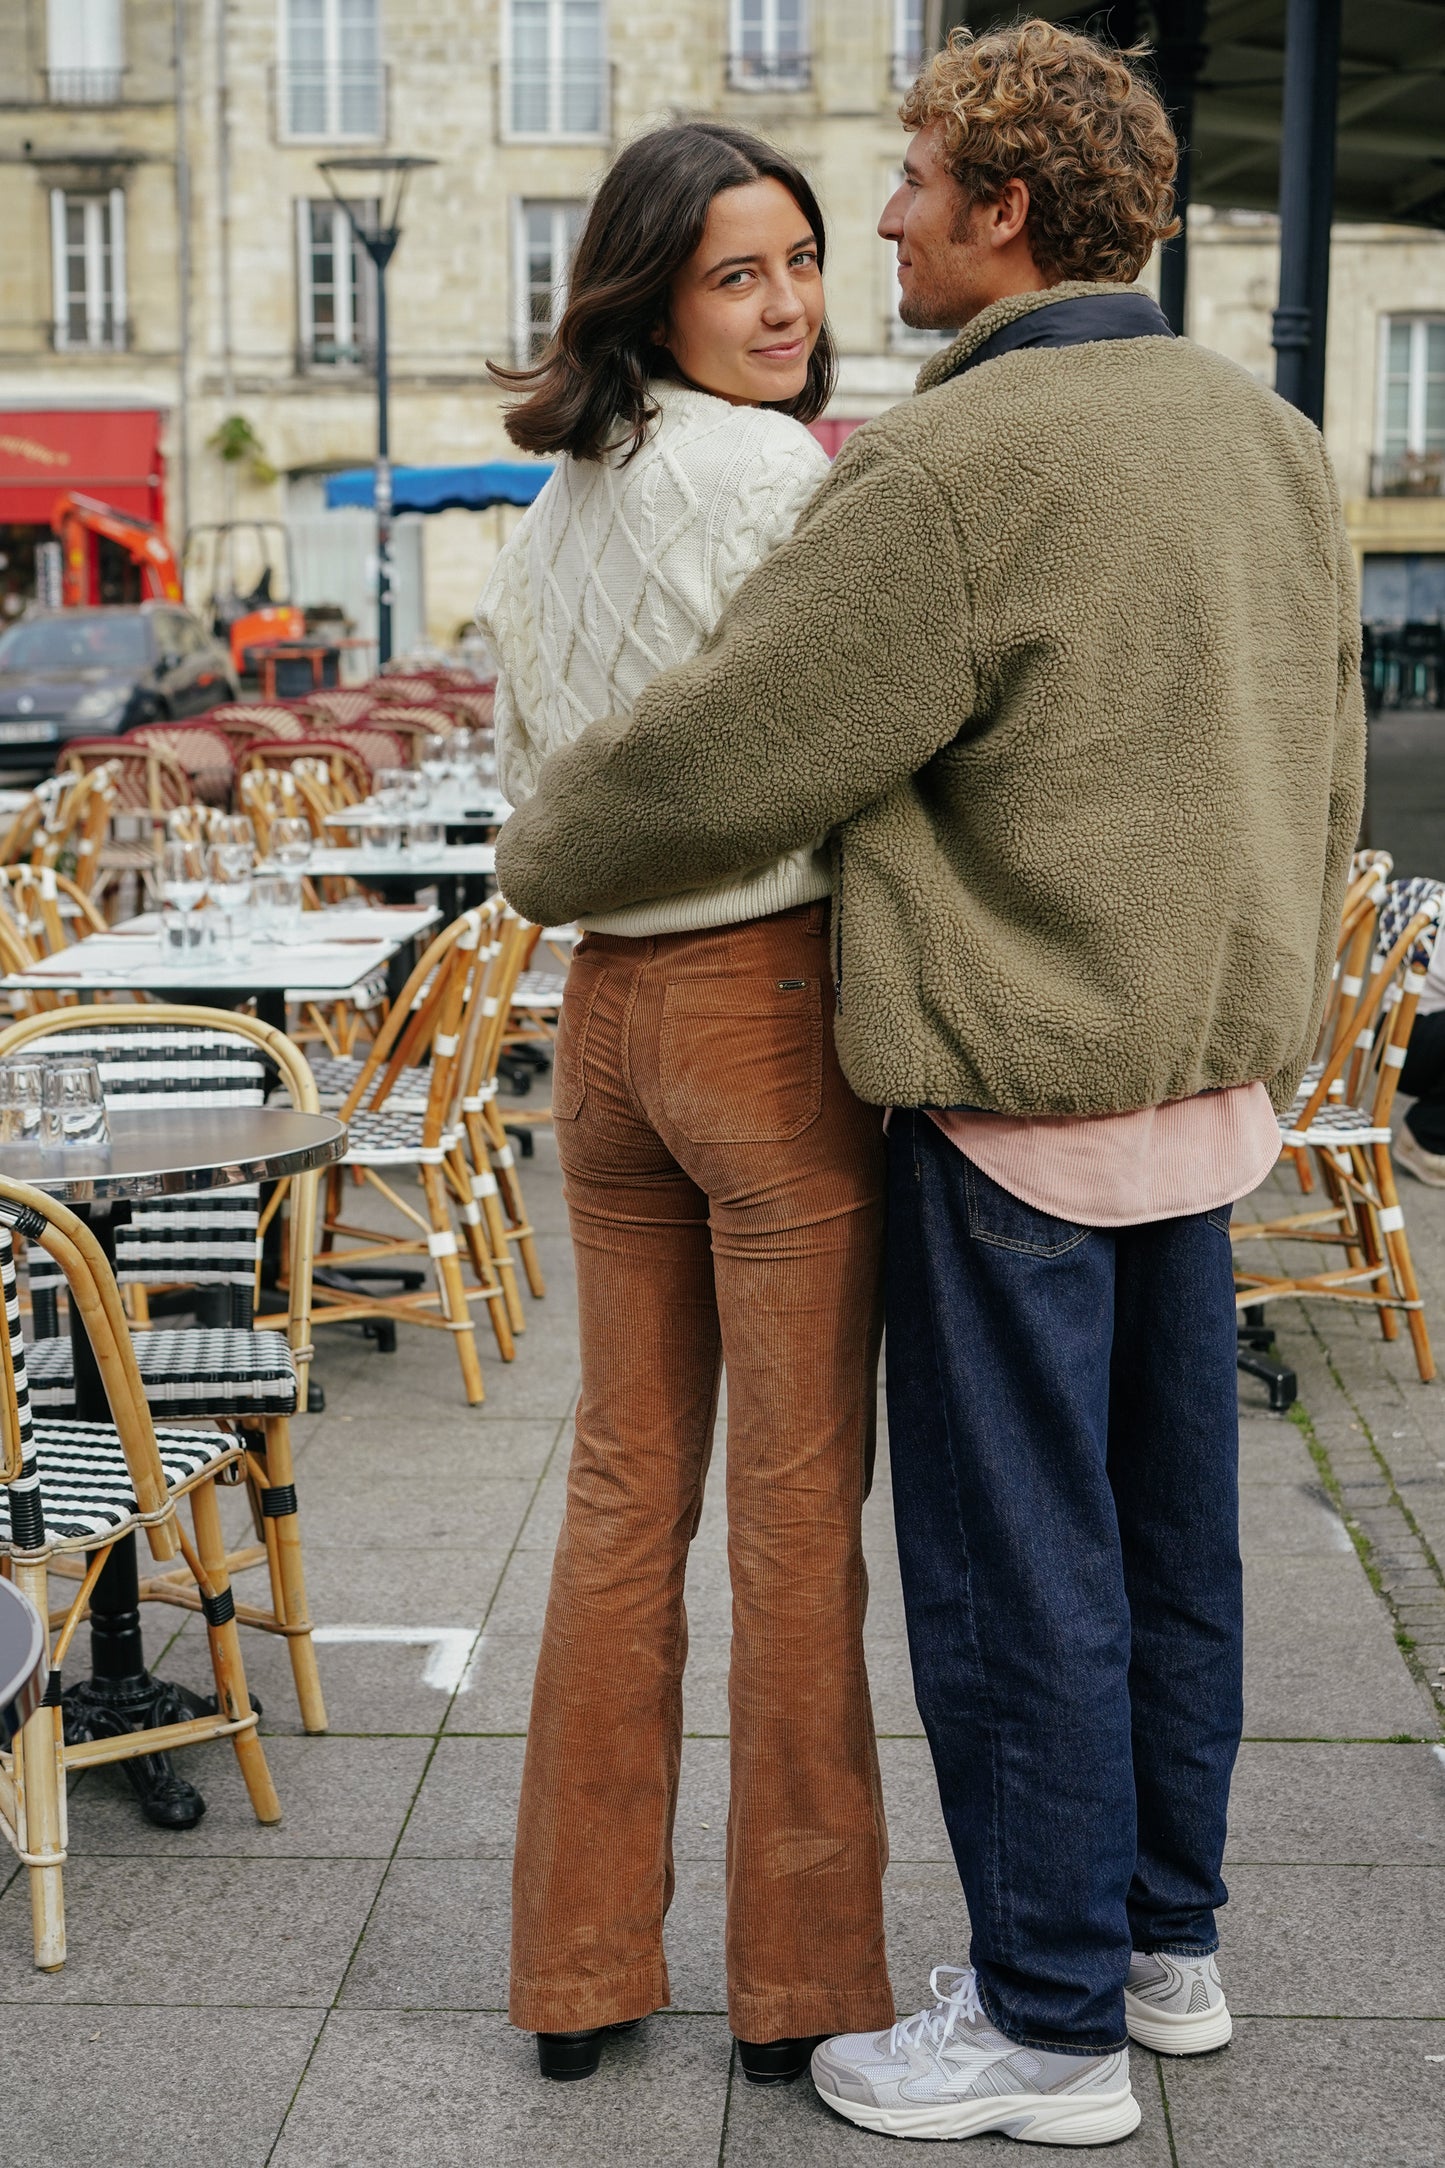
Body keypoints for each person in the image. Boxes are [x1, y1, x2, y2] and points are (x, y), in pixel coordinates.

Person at [495, 20, 1366, 2148]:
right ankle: (1163, 1947)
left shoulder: (947, 467)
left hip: (1004, 1083)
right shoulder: (1265, 437)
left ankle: (1042, 2018)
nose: (868, 227)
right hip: (1201, 1078)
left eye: (897, 188)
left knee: (1006, 1564)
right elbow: (1330, 764)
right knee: (1175, 1542)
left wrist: (535, 862)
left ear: (1000, 211)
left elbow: (734, 754)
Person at [476, 121, 894, 2088]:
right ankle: (797, 1980)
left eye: (803, 259)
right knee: (800, 1508)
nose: (793, 302)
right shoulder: (775, 474)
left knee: (624, 1484)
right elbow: (848, 746)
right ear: (651, 292)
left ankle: (577, 1968)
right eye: (742, 274)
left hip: (605, 1021)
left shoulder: (552, 500)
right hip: (759, 1005)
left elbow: (528, 777)